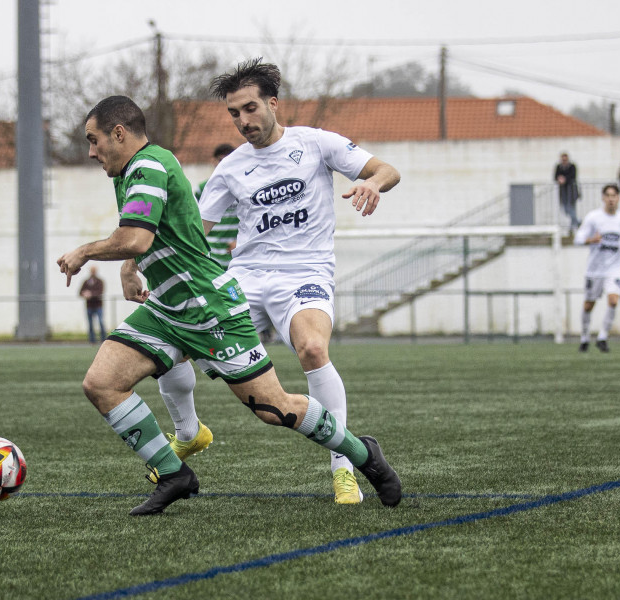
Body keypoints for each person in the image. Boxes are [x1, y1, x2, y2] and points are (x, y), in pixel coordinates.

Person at [56, 95, 401, 516]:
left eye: (94, 141)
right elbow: (149, 232)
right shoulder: (132, 170)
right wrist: (131, 267)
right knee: (101, 383)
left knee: (275, 408)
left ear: (120, 133)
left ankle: (362, 455)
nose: (91, 152)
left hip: (208, 307)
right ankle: (173, 472)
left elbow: (136, 237)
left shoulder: (148, 166)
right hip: (169, 306)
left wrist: (86, 252)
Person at [176, 57, 400, 505]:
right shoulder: (232, 168)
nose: (243, 121)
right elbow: (193, 229)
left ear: (274, 103)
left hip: (305, 272)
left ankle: (344, 469)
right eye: (234, 113)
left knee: (313, 348)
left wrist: (373, 184)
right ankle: (188, 432)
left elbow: (387, 170)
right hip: (246, 277)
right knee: (175, 338)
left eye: (250, 108)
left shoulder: (315, 143)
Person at [573, 184, 620, 353]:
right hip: (594, 269)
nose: (611, 199)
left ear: (618, 198)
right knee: (588, 305)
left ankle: (602, 337)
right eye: (608, 195)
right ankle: (585, 337)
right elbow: (578, 238)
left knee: (613, 300)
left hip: (614, 268)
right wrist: (591, 240)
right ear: (603, 198)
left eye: (614, 195)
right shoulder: (594, 217)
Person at [195, 143, 238, 269]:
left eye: (229, 160)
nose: (224, 165)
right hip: (210, 254)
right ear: (213, 161)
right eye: (220, 160)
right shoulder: (203, 189)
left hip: (235, 253)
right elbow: (193, 219)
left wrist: (241, 242)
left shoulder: (242, 188)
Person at [79, 265, 106, 343]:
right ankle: (92, 340)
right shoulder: (86, 282)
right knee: (90, 324)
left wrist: (90, 294)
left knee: (101, 322)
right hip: (89, 306)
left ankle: (103, 340)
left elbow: (100, 292)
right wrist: (84, 294)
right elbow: (80, 292)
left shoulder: (100, 281)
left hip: (98, 306)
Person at [554, 152, 580, 231]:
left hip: (571, 191)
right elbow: (555, 176)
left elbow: (573, 176)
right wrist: (559, 179)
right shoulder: (559, 167)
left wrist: (565, 179)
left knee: (571, 207)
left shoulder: (572, 166)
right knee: (565, 208)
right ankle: (577, 221)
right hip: (563, 191)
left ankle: (573, 226)